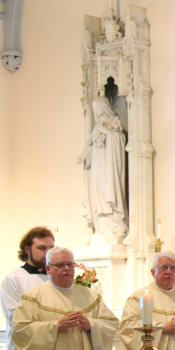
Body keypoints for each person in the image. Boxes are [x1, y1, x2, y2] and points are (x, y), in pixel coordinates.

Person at [78, 96, 128, 244]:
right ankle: (101, 228)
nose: (97, 111)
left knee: (109, 191)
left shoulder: (114, 122)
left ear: (105, 107)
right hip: (97, 166)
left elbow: (119, 140)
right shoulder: (95, 127)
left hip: (109, 166)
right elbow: (90, 146)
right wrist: (83, 156)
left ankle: (116, 225)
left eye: (99, 107)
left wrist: (106, 131)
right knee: (98, 193)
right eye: (95, 108)